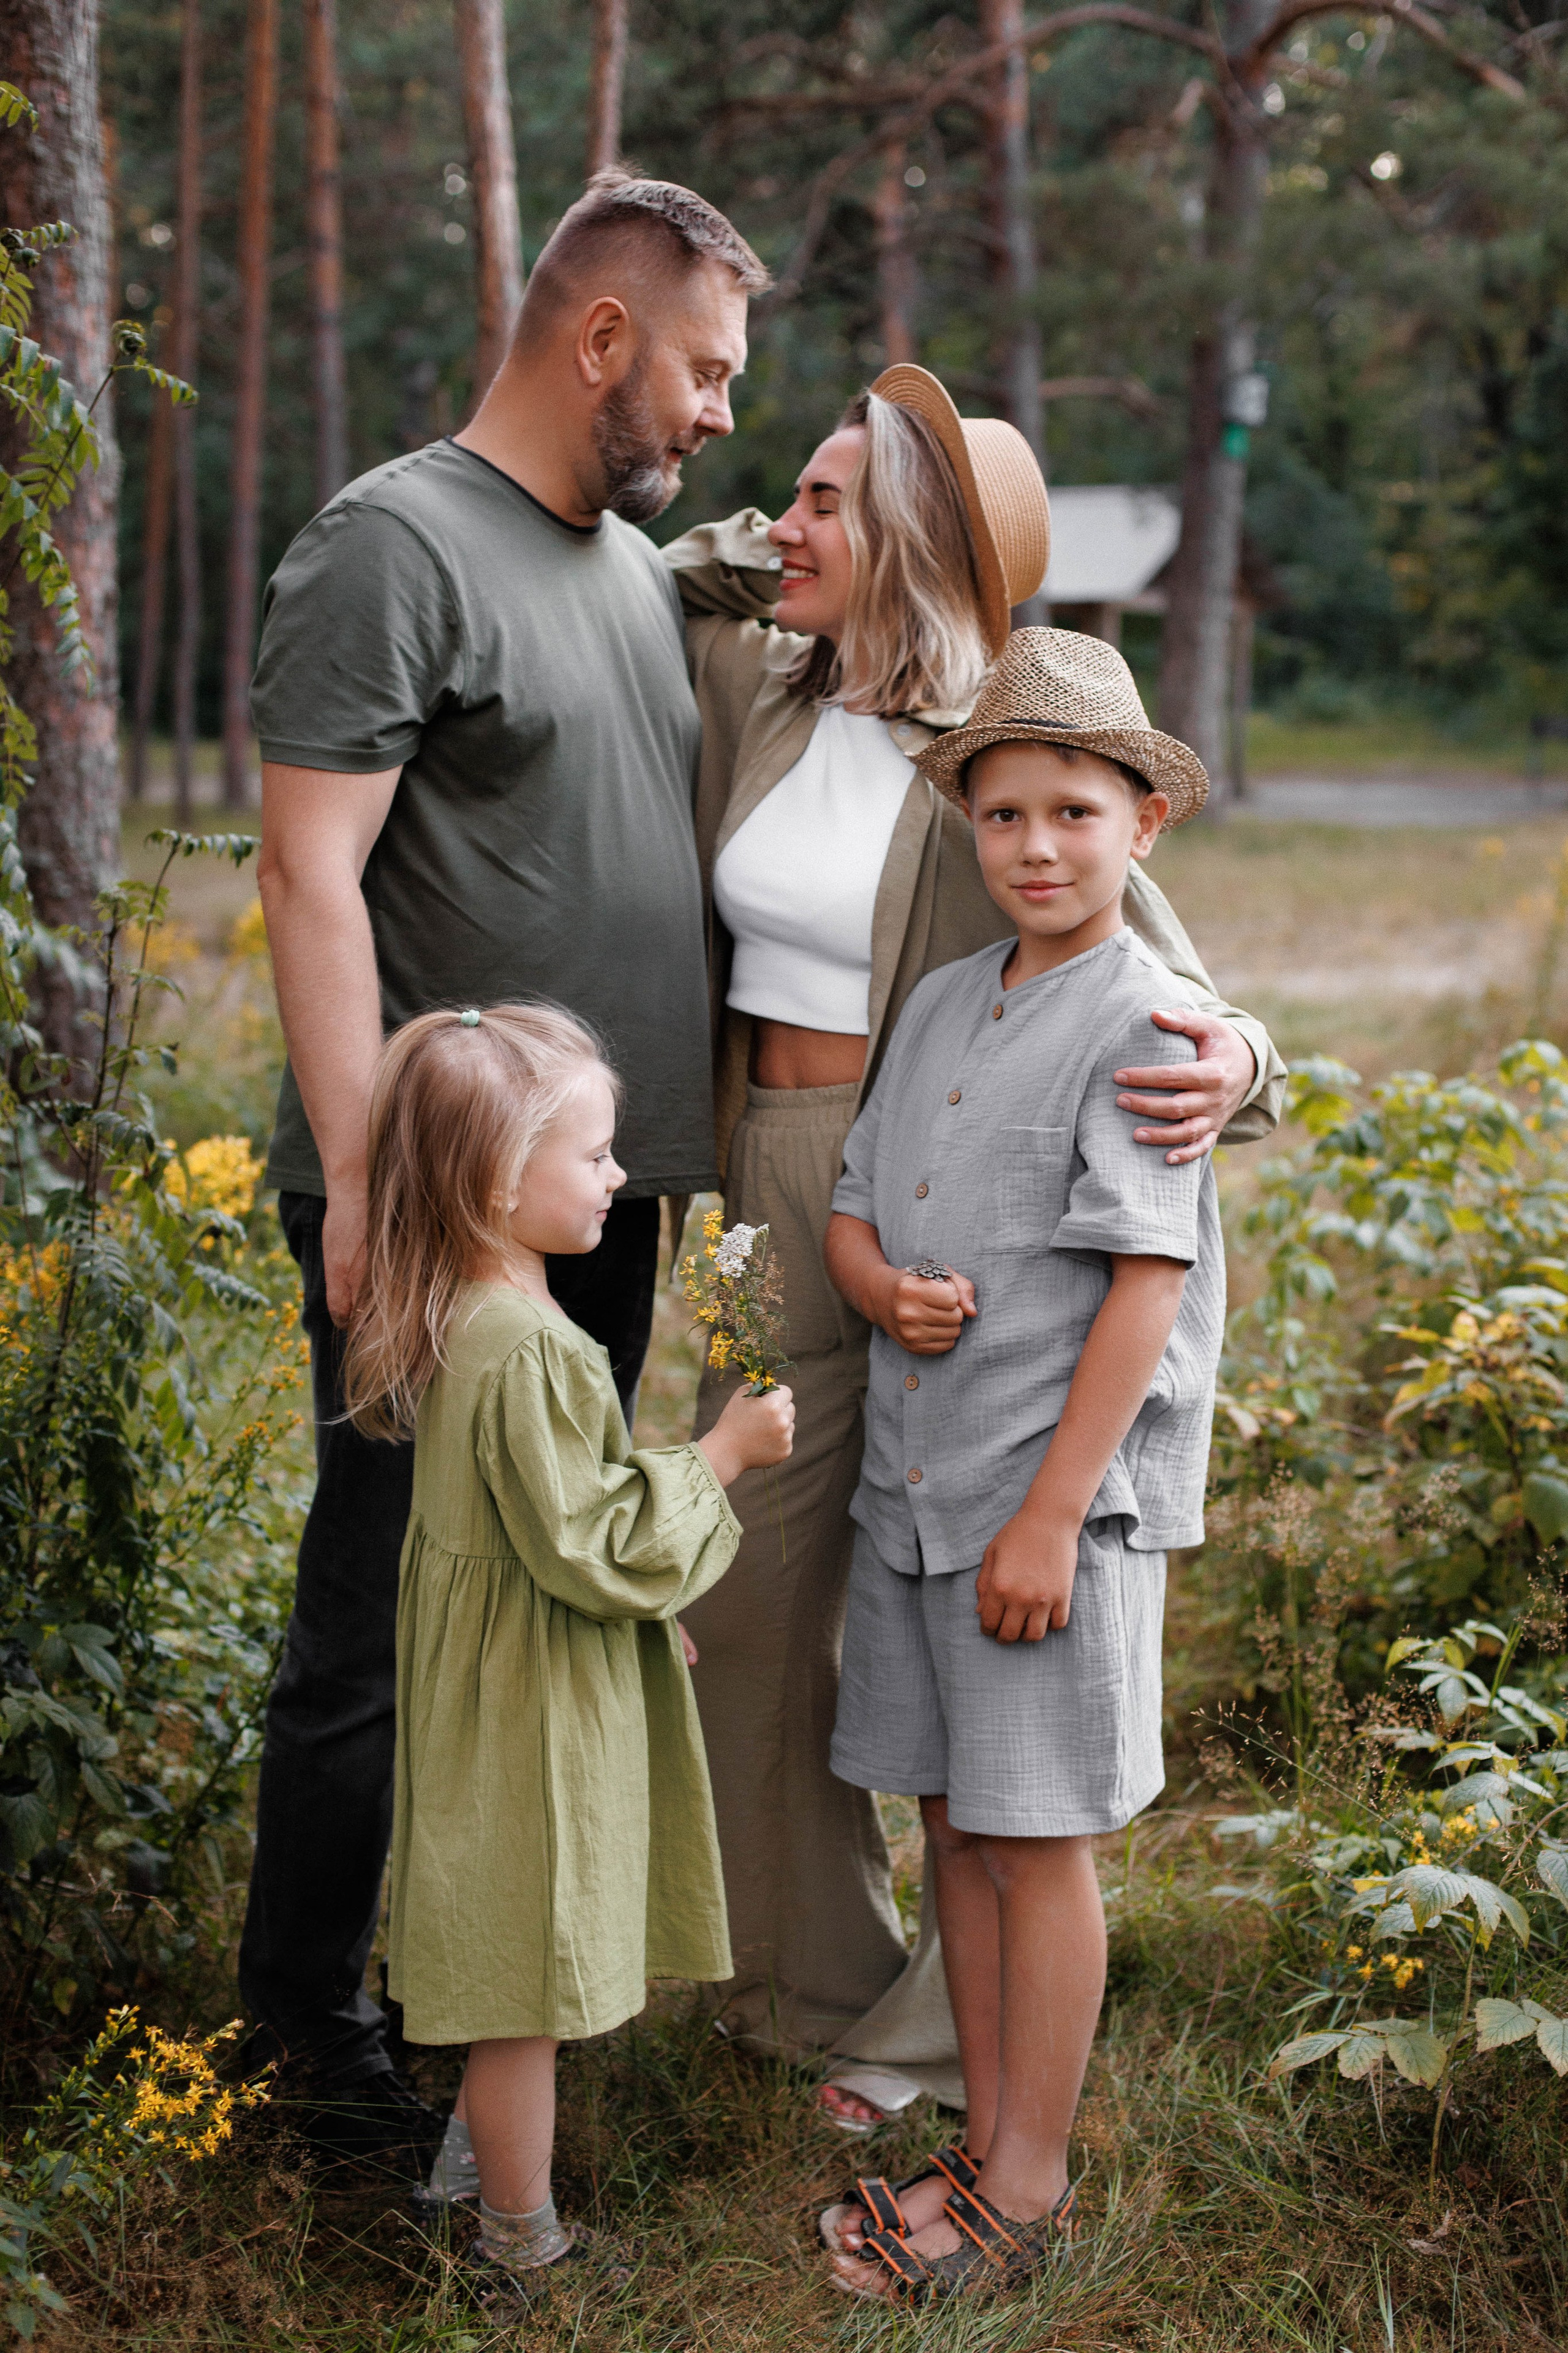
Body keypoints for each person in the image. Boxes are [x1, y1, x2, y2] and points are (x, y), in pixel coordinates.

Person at [661, 366, 1287, 2126]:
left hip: (978, 1191)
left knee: (974, 1608)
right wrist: (784, 531)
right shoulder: (753, 682)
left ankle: (959, 2036)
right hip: (785, 1172)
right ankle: (815, 1985)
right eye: (786, 492)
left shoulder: (993, 744)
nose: (784, 522)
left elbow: (1158, 958)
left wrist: (1244, 1056)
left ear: (917, 541)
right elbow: (679, 568)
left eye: (828, 501)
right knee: (758, 1591)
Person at [239, 172, 769, 2156]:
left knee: (540, 1602)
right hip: (446, 1202)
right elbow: (307, 876)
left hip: (598, 1194)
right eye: (706, 367)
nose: (723, 409)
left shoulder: (628, 568)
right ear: (604, 338)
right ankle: (313, 2041)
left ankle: (493, 2013)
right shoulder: (394, 546)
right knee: (388, 1624)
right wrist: (371, 1194)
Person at [819, 629, 1226, 2303]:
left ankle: (1029, 2188)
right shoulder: (938, 1001)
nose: (1038, 846)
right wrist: (877, 1286)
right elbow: (852, 1201)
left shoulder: (1148, 1017)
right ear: (968, 830)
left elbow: (1148, 1280)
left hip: (1044, 1504)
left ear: (1144, 824)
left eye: (1074, 808)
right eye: (1003, 815)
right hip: (916, 1488)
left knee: (1036, 1832)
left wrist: (1055, 1513)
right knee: (955, 1824)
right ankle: (981, 2139)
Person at [337, 1002, 793, 2306]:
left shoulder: (481, 1312)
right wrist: (721, 1458)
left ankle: (465, 2185)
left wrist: (650, 1606)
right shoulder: (526, 1343)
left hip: (497, 1675)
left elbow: (540, 1524)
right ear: (494, 1179)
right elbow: (589, 1536)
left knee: (502, 1955)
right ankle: (517, 2248)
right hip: (523, 1706)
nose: (615, 1177)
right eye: (593, 1155)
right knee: (521, 1985)